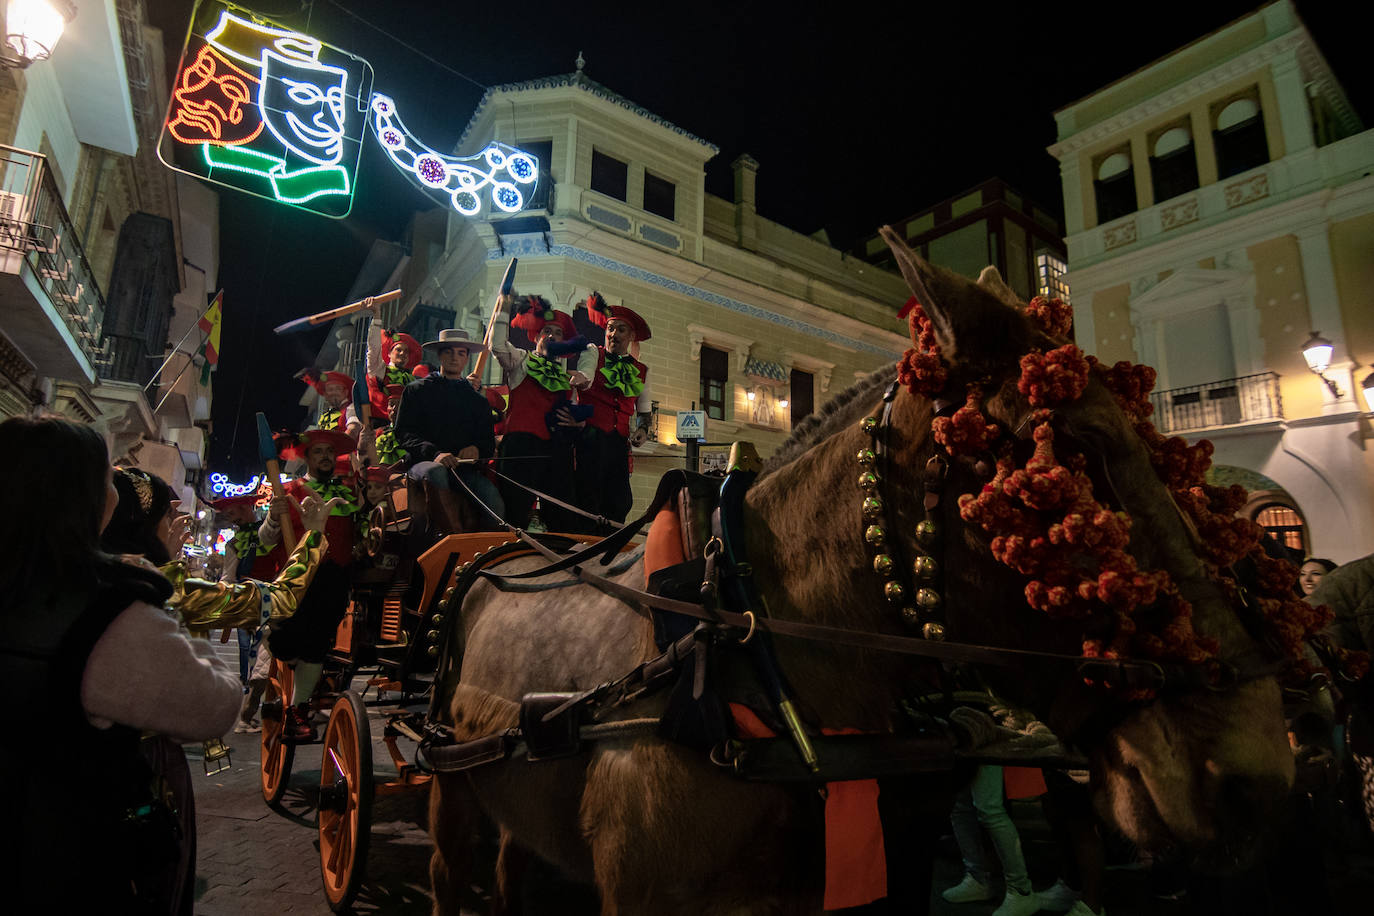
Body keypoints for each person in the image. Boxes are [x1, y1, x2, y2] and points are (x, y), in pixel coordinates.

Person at [0, 416, 242, 914]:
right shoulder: (109, 611)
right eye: (107, 479)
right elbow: (215, 706)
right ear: (82, 499)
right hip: (64, 859)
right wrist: (157, 595)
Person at [259, 426, 361, 742]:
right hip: (296, 578)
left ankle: (298, 710)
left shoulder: (348, 493)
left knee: (317, 646)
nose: (326, 457)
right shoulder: (286, 490)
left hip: (332, 580)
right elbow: (264, 540)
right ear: (307, 457)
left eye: (330, 452)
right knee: (287, 641)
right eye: (318, 451)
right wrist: (274, 519)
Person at [488, 294, 588, 530]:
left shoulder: (569, 379)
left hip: (556, 451)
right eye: (546, 331)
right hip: (520, 447)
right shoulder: (521, 360)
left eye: (558, 333)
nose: (552, 336)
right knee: (514, 513)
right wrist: (503, 310)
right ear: (536, 337)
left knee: (561, 515)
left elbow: (575, 417)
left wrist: (578, 424)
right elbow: (498, 346)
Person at [393, 327, 504, 533]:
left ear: (466, 358)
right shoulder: (417, 390)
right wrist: (435, 453)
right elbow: (404, 433)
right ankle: (449, 540)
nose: (455, 358)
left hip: (464, 471)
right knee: (436, 472)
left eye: (461, 353)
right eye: (449, 352)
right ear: (440, 355)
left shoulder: (477, 401)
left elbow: (487, 441)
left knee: (492, 499)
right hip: (423, 465)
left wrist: (477, 450)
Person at [573, 292, 653, 528]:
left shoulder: (642, 370)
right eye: (610, 328)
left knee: (621, 501)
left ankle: (608, 545)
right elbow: (586, 375)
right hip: (590, 437)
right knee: (589, 497)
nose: (613, 334)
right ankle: (587, 545)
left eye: (621, 330)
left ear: (631, 337)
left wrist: (643, 429)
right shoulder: (593, 352)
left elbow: (644, 410)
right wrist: (582, 379)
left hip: (618, 442)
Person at [941, 764, 1043, 916]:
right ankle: (978, 878)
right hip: (963, 743)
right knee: (961, 806)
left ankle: (1021, 890)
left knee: (989, 809)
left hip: (983, 743)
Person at [298, 367, 361, 438]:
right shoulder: (326, 416)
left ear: (346, 392)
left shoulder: (352, 408)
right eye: (330, 389)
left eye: (338, 388)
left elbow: (353, 429)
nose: (334, 392)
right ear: (325, 394)